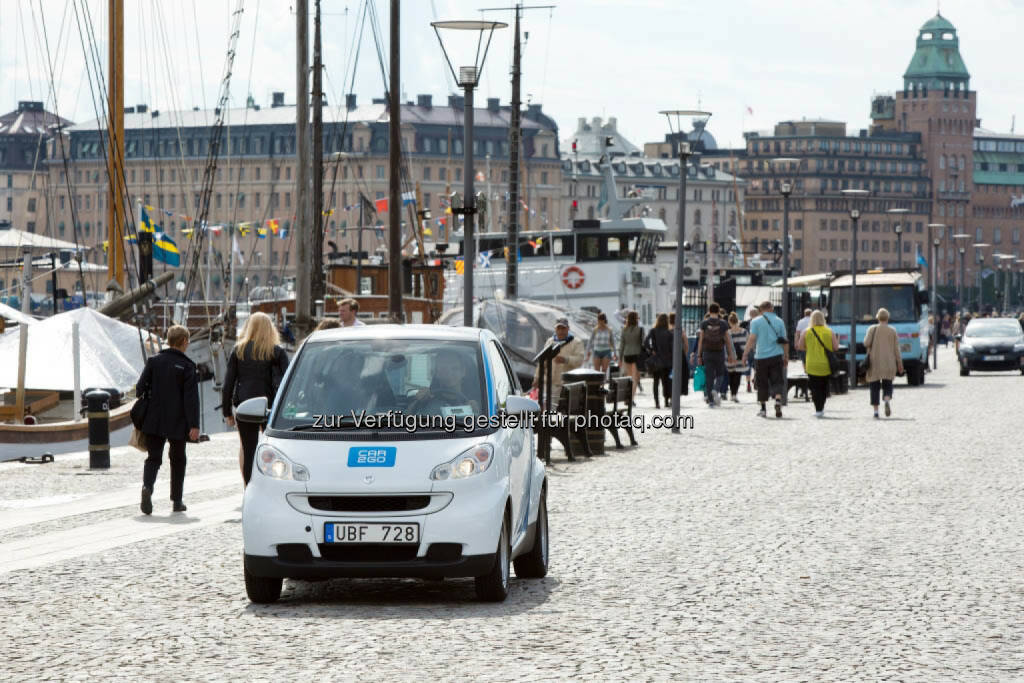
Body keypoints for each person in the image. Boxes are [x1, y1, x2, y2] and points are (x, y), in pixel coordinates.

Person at [136, 325, 200, 515]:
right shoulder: (187, 366)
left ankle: (147, 487)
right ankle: (176, 501)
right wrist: (194, 425)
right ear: (183, 342)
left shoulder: (154, 361)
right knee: (178, 459)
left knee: (153, 458)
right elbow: (191, 399)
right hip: (178, 421)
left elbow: (140, 388)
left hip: (154, 419)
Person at [223, 312, 290, 486]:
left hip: (245, 406)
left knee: (248, 448)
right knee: (275, 448)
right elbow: (288, 381)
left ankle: (249, 488)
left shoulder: (238, 351)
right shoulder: (277, 352)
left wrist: (227, 412)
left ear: (250, 328)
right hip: (271, 406)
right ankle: (274, 484)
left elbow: (228, 384)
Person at [741, 301, 789, 418]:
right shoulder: (779, 321)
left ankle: (763, 409)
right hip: (776, 355)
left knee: (762, 382)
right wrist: (786, 356)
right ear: (771, 308)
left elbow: (752, 339)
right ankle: (777, 400)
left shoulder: (755, 322)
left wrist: (745, 354)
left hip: (761, 356)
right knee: (777, 380)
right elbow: (785, 341)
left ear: (761, 310)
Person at [532, 317, 585, 405]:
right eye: (558, 328)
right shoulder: (550, 341)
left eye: (563, 328)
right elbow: (543, 361)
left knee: (565, 410)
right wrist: (537, 378)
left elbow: (579, 360)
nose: (561, 331)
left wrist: (566, 359)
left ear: (568, 329)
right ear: (555, 329)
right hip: (549, 383)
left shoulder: (576, 342)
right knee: (548, 408)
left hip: (566, 384)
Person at [796, 310, 838, 417]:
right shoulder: (829, 331)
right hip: (825, 364)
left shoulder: (806, 332)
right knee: (824, 387)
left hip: (812, 364)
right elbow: (835, 347)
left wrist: (809, 347)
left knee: (814, 388)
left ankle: (818, 409)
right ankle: (821, 407)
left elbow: (800, 347)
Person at [864, 307, 904, 419]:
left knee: (874, 386)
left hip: (874, 362)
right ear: (887, 318)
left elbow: (866, 343)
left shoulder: (872, 329)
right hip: (889, 362)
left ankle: (876, 412)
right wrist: (900, 364)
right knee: (887, 384)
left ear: (877, 317)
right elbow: (897, 350)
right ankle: (886, 399)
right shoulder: (892, 331)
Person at [695, 303, 734, 407]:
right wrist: (730, 354)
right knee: (720, 374)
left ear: (709, 311)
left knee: (709, 376)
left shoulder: (704, 323)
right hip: (720, 352)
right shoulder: (723, 323)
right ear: (718, 311)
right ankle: (715, 390)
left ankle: (711, 402)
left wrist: (699, 355)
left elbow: (701, 340)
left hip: (707, 352)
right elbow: (727, 340)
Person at [644, 313, 673, 409]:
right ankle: (666, 401)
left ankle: (657, 403)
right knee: (666, 382)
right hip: (667, 361)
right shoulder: (669, 333)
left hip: (656, 360)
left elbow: (646, 342)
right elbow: (672, 348)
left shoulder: (653, 331)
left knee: (656, 382)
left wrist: (652, 350)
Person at [617, 311, 644, 404]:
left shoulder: (624, 330)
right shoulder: (640, 329)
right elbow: (642, 343)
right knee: (635, 378)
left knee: (628, 377)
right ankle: (631, 398)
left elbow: (622, 345)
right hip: (637, 355)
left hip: (627, 354)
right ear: (636, 319)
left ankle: (626, 398)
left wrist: (620, 359)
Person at [726, 312, 749, 403]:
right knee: (738, 377)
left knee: (731, 376)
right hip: (741, 356)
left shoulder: (728, 332)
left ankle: (732, 394)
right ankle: (735, 394)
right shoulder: (744, 331)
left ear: (729, 322)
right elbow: (748, 343)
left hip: (731, 357)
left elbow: (726, 345)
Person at [668, 312, 690, 399]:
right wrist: (684, 353)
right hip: (680, 355)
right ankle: (679, 392)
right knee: (682, 374)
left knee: (671, 375)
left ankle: (670, 393)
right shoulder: (680, 330)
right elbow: (686, 344)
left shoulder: (668, 331)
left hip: (669, 356)